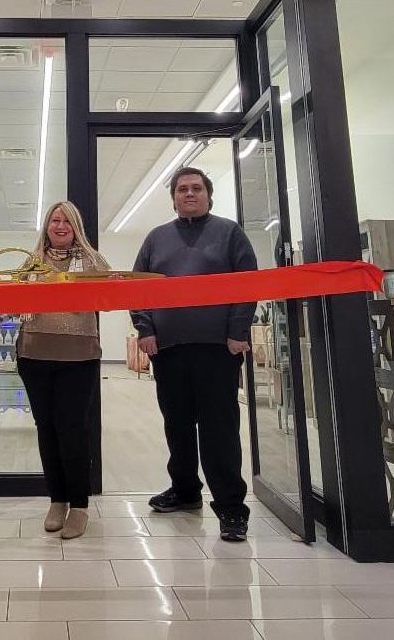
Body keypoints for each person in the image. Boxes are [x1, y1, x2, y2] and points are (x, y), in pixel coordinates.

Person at [131, 167, 257, 542]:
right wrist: (145, 329)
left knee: (219, 429)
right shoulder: (156, 239)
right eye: (182, 189)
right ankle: (185, 491)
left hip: (218, 349)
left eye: (196, 188)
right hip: (169, 351)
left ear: (208, 195)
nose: (189, 193)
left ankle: (231, 507)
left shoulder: (229, 233)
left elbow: (247, 284)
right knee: (178, 425)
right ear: (173, 198)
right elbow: (137, 287)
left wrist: (237, 332)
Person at [16, 201, 110, 540]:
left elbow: (109, 297)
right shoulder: (32, 260)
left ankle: (79, 505)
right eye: (54, 220)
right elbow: (14, 299)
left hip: (79, 357)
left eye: (67, 221)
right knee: (47, 429)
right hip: (34, 355)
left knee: (73, 430)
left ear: (76, 227)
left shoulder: (93, 260)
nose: (60, 226)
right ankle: (57, 499)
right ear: (46, 225)